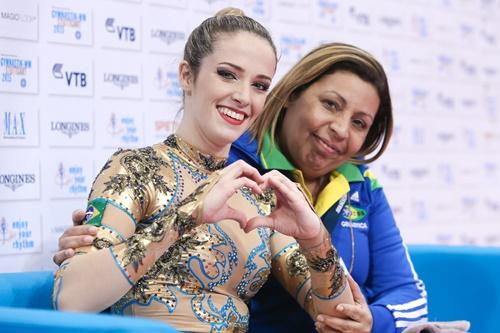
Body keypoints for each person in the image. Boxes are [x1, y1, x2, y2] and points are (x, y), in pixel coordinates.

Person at [54, 42, 426, 333]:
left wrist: (316, 241)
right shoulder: (152, 167)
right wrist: (124, 230)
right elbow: (74, 294)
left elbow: (339, 313)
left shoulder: (266, 192)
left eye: (258, 84)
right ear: (188, 75)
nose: (242, 97)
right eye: (227, 75)